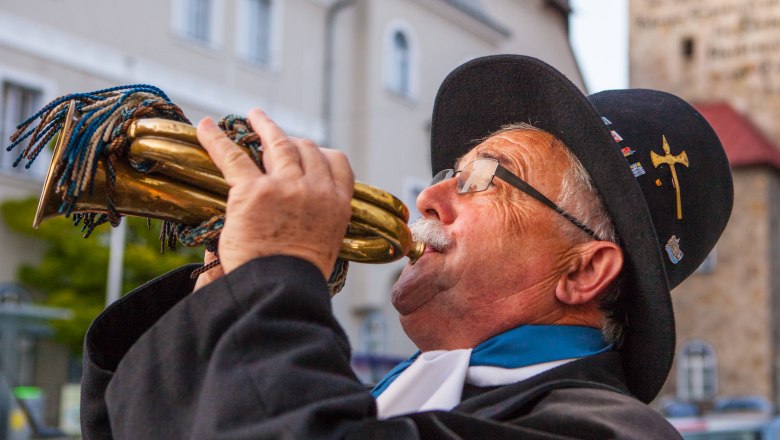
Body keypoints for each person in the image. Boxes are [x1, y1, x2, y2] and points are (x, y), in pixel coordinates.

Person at [79, 55, 733, 439]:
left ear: (584, 270)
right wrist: (222, 297)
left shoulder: (606, 431)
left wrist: (270, 285)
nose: (429, 198)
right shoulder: (403, 389)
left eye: (484, 180)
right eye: (450, 172)